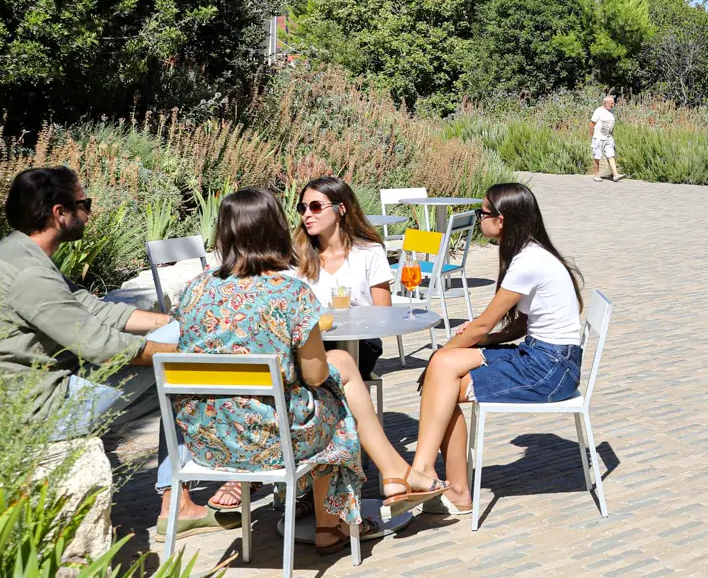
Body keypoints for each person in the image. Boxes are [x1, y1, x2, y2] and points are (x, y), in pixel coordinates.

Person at [169, 190, 442, 553]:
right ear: (276, 231)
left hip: (207, 442)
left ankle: (374, 492)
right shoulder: (289, 292)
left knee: (338, 373)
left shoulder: (194, 288)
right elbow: (314, 375)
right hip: (271, 438)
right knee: (333, 395)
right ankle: (354, 508)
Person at [0, 167, 210, 539]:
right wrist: (187, 348)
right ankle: (188, 495)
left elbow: (94, 309)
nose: (89, 212)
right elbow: (103, 346)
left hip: (27, 395)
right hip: (34, 412)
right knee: (179, 369)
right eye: (84, 203)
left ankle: (177, 501)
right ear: (59, 213)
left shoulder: (17, 253)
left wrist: (175, 321)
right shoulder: (29, 274)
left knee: (176, 355)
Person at [403, 183, 585, 515]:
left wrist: (440, 353)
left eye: (482, 213)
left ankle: (438, 480)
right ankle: (434, 476)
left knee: (440, 373)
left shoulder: (527, 261)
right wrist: (464, 347)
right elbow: (514, 327)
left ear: (500, 221)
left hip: (551, 369)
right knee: (442, 374)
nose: (478, 219)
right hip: (542, 355)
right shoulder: (529, 252)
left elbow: (484, 325)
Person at [291, 176, 393, 378]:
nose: (307, 215)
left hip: (360, 343)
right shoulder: (295, 256)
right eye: (303, 208)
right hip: (309, 343)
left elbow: (384, 312)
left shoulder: (369, 252)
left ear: (341, 209)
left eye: (316, 206)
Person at [590, 94, 621, 183]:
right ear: (605, 103)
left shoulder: (611, 112)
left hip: (608, 137)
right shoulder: (598, 111)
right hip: (598, 137)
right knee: (597, 156)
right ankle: (596, 175)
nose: (613, 105)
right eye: (611, 103)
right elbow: (592, 124)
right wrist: (593, 136)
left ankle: (615, 175)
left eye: (613, 103)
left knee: (611, 155)